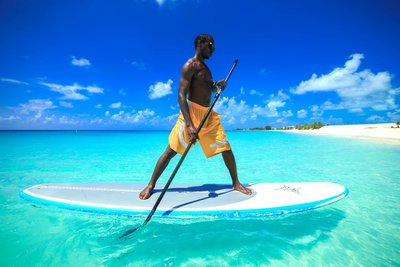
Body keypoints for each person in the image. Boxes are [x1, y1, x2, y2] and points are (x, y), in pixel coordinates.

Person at [139, 33, 252, 200]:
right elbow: (180, 96)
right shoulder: (190, 65)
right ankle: (151, 184)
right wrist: (189, 125)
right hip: (190, 114)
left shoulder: (206, 68)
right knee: (171, 150)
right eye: (211, 45)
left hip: (208, 115)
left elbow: (208, 88)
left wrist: (217, 85)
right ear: (201, 43)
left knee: (226, 149)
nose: (213, 49)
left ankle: (235, 182)